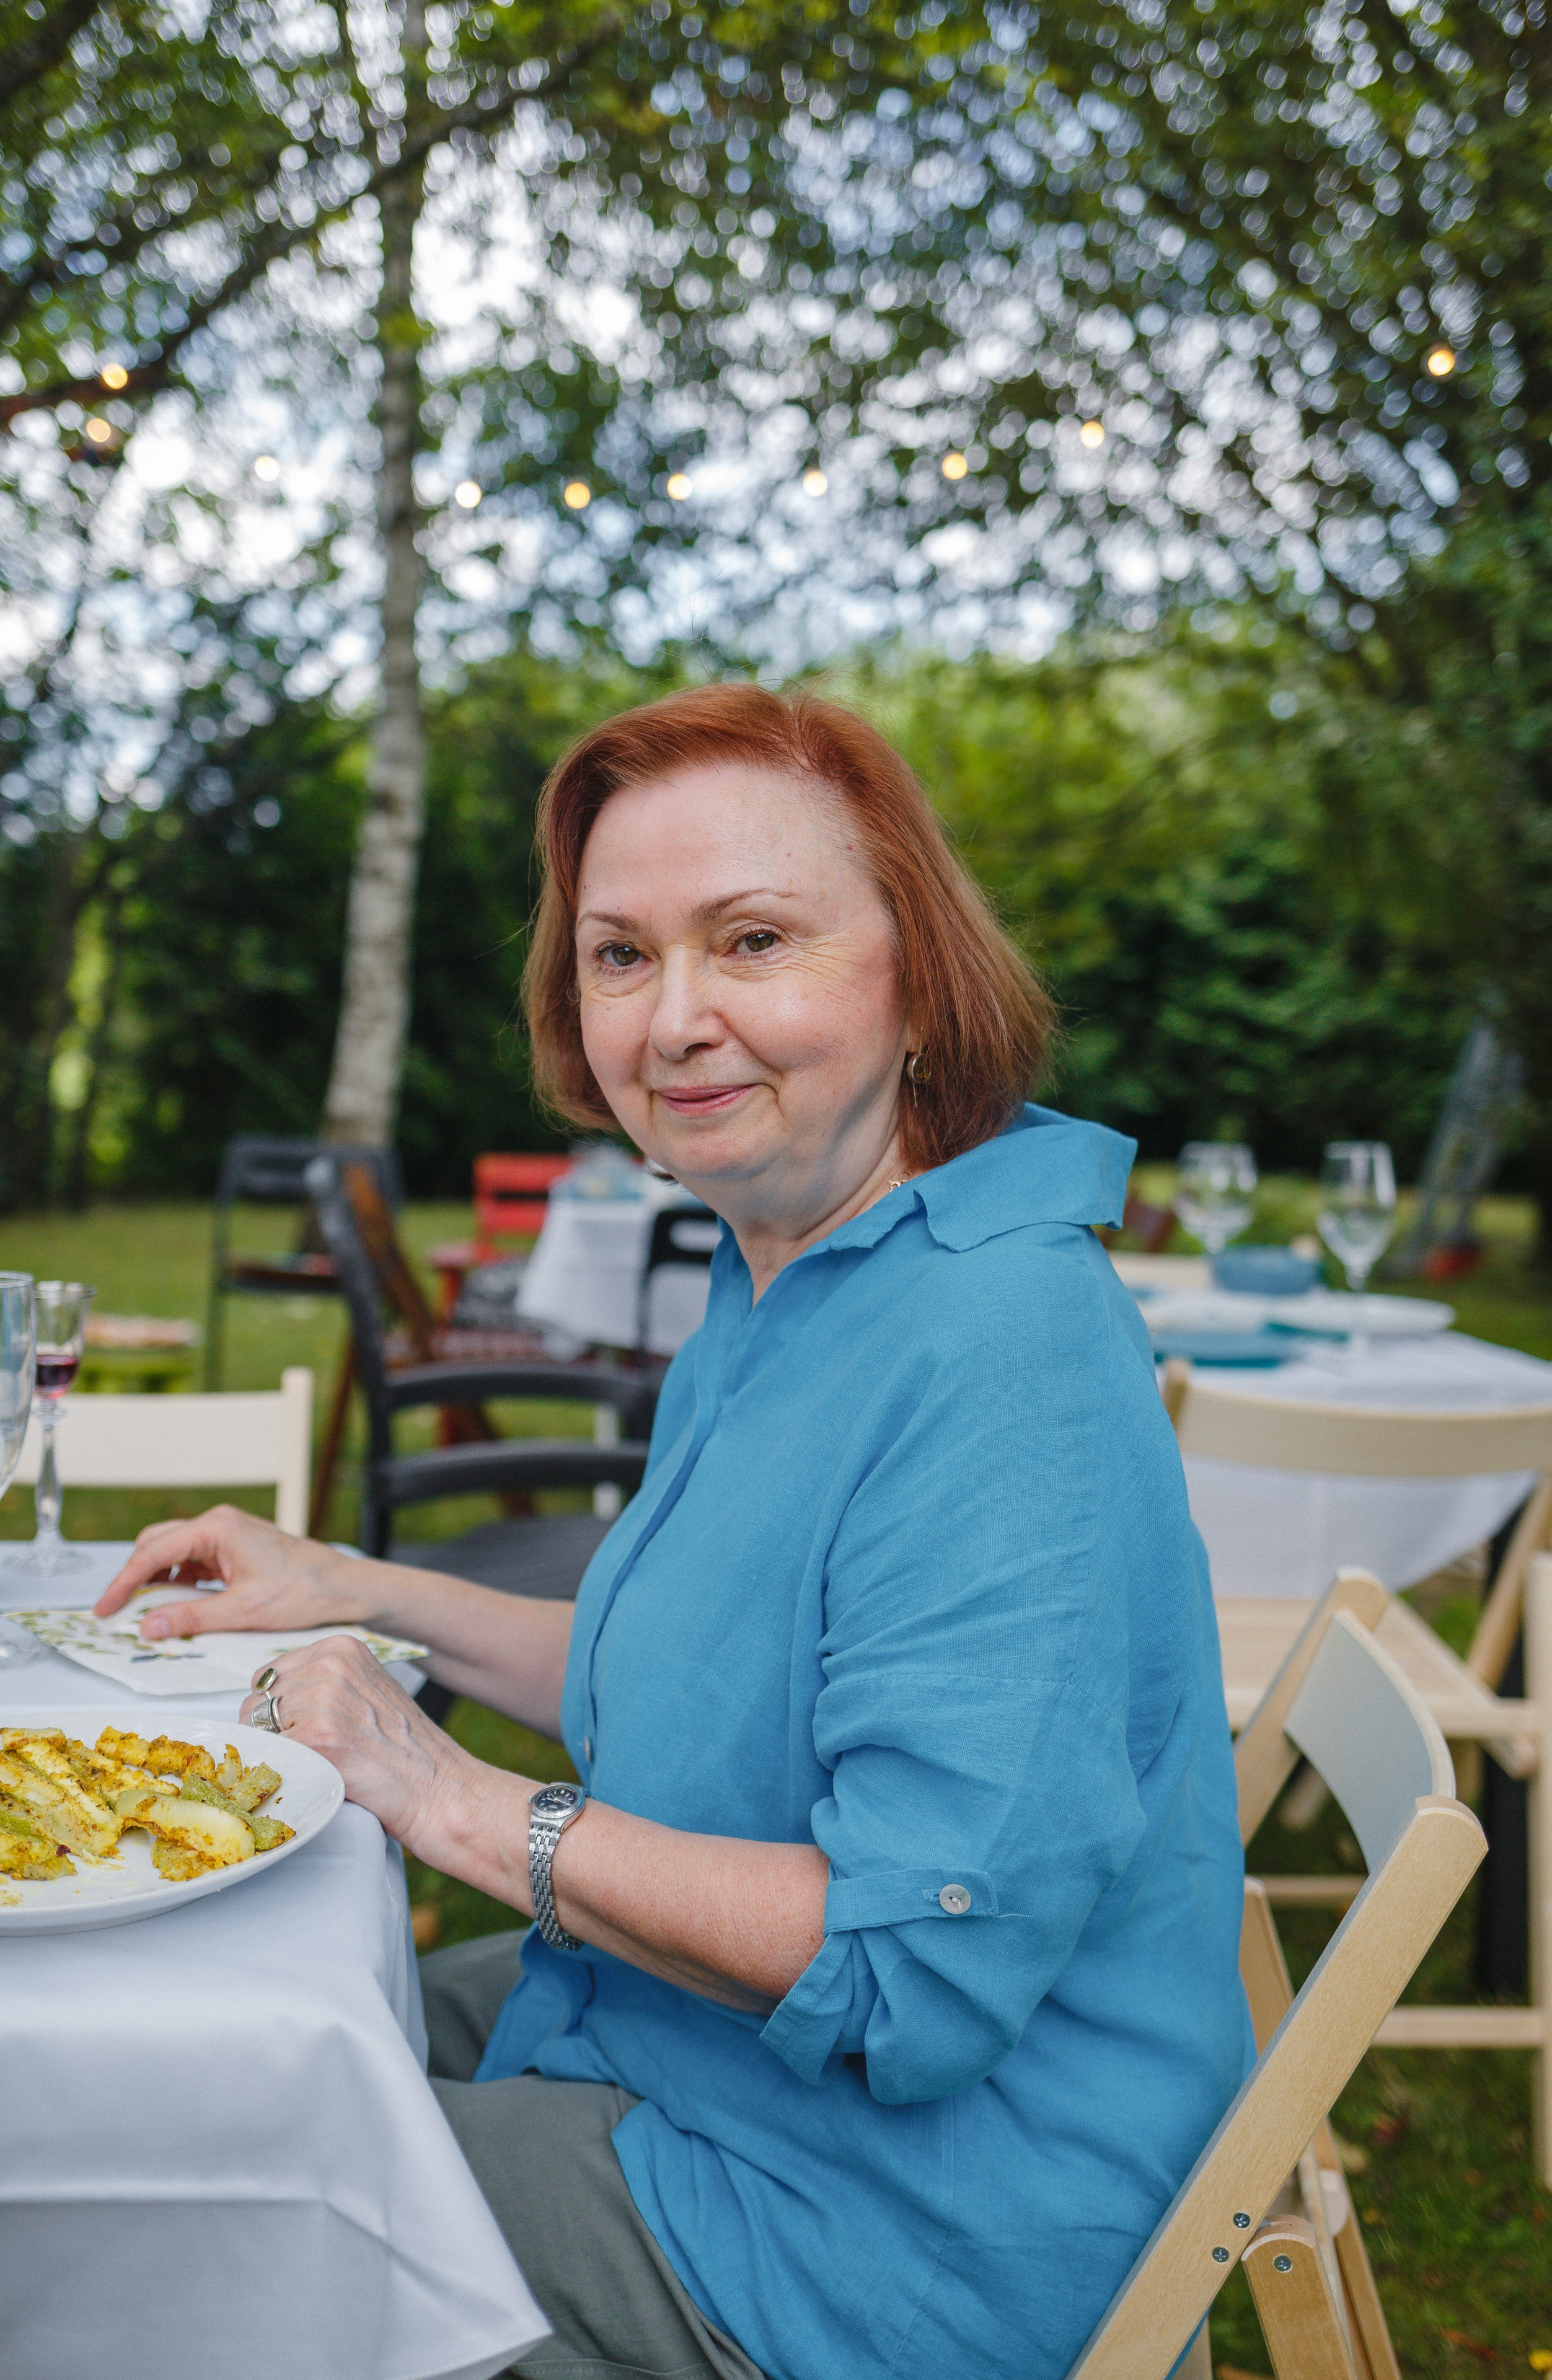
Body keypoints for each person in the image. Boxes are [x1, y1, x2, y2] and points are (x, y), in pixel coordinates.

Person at [98, 684, 1250, 2380]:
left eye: (755, 939)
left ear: (916, 977)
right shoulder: (788, 1269)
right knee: (208, 2037)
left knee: (169, 2204)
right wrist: (345, 1583)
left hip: (880, 2232)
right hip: (676, 2046)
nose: (675, 1019)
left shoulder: (1000, 1347)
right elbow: (691, 1683)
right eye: (620, 955)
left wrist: (443, 1794)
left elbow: (905, 1966)